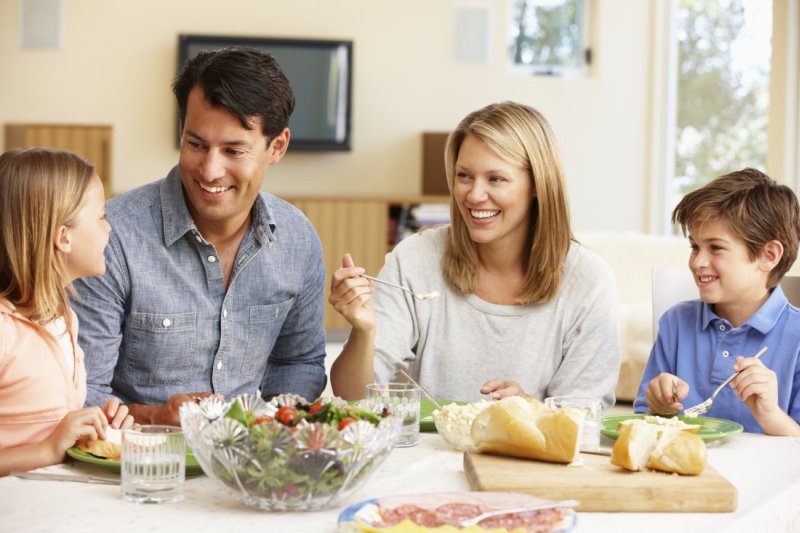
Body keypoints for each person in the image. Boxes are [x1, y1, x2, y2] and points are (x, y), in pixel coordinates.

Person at [72, 47, 327, 426]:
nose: (210, 171)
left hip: (246, 460)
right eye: (196, 145)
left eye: (233, 150)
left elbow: (300, 361)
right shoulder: (114, 237)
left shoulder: (297, 239)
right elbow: (83, 392)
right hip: (134, 461)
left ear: (277, 146)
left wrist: (273, 423)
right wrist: (156, 416)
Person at [329, 101, 620, 407]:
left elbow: (582, 415)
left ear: (538, 184)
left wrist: (530, 410)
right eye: (464, 176)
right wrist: (364, 330)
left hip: (529, 456)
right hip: (428, 453)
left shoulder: (588, 280)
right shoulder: (415, 258)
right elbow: (352, 396)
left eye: (496, 179)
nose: (474, 195)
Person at [634, 169, 800, 436]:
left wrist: (771, 416)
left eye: (716, 248)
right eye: (695, 247)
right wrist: (657, 406)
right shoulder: (676, 323)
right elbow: (643, 421)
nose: (697, 262)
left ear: (769, 255)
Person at [0, 147, 134, 476]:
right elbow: (49, 442)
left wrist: (98, 419)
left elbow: (52, 422)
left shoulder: (64, 319)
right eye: (101, 216)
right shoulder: (4, 332)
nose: (109, 229)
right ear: (64, 237)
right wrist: (48, 449)